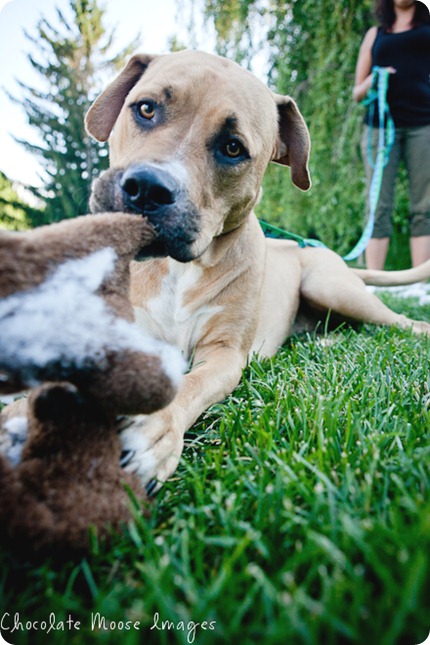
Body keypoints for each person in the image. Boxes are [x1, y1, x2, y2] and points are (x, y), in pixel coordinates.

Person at [353, 0, 430, 269]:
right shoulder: (376, 35)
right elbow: (357, 93)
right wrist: (374, 80)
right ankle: (376, 281)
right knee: (378, 205)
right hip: (380, 129)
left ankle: (420, 282)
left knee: (424, 204)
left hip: (423, 126)